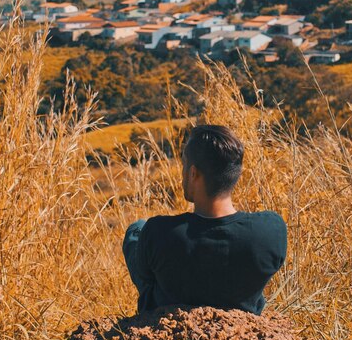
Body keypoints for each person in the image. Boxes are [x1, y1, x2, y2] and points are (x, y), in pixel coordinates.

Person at [122, 124, 287, 315]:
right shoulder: (271, 230)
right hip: (240, 321)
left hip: (169, 320)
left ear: (193, 173)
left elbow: (145, 274)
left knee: (136, 231)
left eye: (184, 165)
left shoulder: (158, 232)